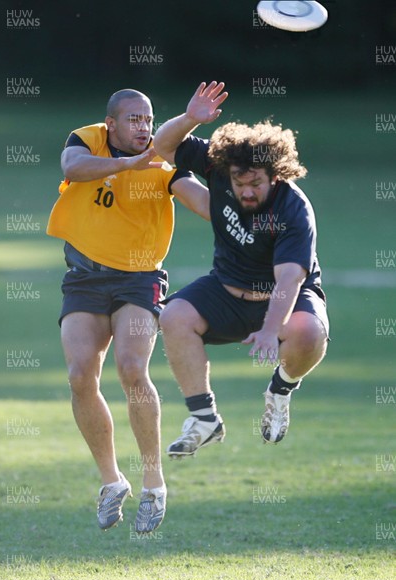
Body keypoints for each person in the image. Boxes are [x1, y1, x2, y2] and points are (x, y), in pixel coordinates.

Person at [46, 88, 210, 533]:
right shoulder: (87, 141)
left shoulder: (164, 158)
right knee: (81, 375)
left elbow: (201, 200)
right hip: (84, 277)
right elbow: (72, 169)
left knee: (132, 369)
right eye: (134, 120)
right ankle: (112, 481)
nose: (144, 128)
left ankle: (154, 483)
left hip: (139, 278)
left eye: (149, 120)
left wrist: (247, 205)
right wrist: (126, 165)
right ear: (111, 124)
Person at [153, 81, 329, 458]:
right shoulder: (218, 165)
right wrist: (188, 119)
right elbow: (162, 148)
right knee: (174, 316)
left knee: (309, 332)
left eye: (256, 184)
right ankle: (204, 419)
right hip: (227, 289)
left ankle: (280, 392)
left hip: (282, 297)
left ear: (276, 176)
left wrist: (269, 330)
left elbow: (290, 278)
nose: (246, 191)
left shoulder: (293, 209)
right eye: (239, 183)